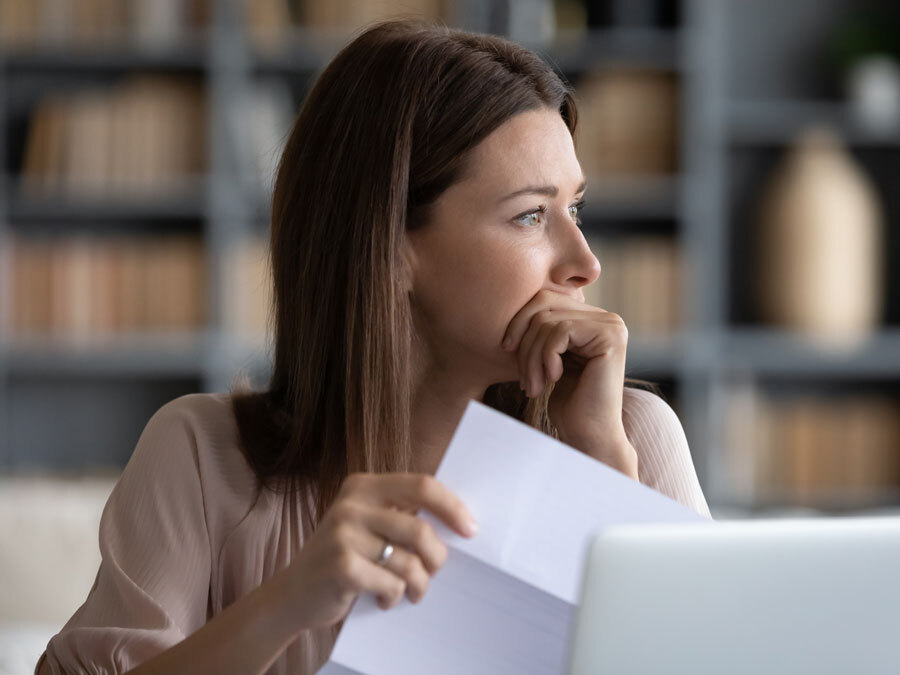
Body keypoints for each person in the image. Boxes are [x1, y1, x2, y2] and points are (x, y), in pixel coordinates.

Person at [36, 19, 711, 675]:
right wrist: (285, 604)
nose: (585, 262)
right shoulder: (201, 456)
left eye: (577, 209)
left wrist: (603, 480)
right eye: (531, 215)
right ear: (388, 247)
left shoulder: (634, 439)